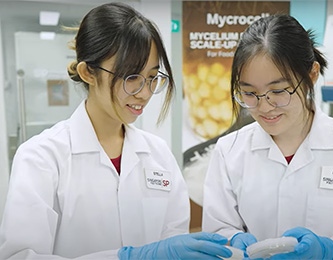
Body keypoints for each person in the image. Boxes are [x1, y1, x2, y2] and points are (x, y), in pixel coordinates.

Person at [0, 3, 232, 260]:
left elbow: (171, 240)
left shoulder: (158, 154)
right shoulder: (41, 157)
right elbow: (20, 256)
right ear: (88, 72)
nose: (144, 93)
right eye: (131, 77)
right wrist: (126, 257)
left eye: (153, 77)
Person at [202, 14, 333, 260]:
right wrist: (231, 239)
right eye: (249, 93)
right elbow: (217, 229)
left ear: (312, 75)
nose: (264, 107)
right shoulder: (229, 150)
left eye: (278, 90)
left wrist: (332, 252)